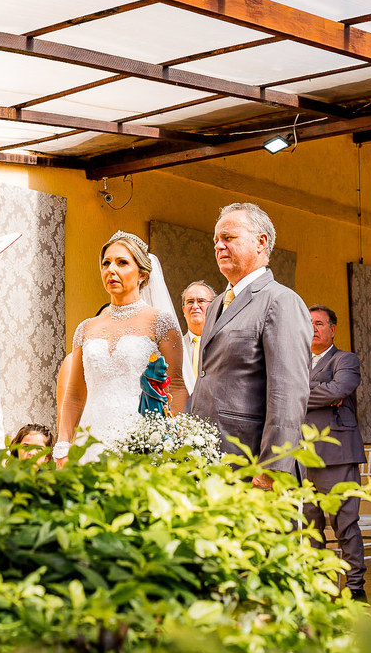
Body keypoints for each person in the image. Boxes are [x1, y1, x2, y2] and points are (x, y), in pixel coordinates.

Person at [188, 203, 311, 486]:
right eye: (216, 240)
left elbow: (288, 392)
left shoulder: (281, 301)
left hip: (254, 467)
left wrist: (273, 467)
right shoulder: (217, 303)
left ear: (261, 242)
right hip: (210, 464)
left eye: (228, 238)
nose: (219, 246)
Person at [56, 232, 186, 462]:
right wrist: (63, 444)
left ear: (142, 274)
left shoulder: (161, 323)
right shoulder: (85, 328)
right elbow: (75, 395)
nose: (110, 270)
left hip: (141, 441)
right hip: (91, 439)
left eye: (122, 262)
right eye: (106, 263)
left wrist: (173, 440)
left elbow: (175, 386)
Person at [302, 304, 366, 600]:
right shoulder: (298, 362)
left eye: (319, 323)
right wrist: (320, 393)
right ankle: (320, 588)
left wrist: (300, 395)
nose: (313, 328)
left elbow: (339, 390)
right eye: (309, 323)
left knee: (345, 524)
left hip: (337, 455)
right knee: (310, 526)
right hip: (301, 457)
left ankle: (355, 587)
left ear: (332, 329)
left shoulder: (345, 359)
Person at [180, 281, 216, 394]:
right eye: (190, 302)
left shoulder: (225, 344)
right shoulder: (175, 347)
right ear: (183, 309)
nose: (195, 306)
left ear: (213, 307)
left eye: (201, 301)